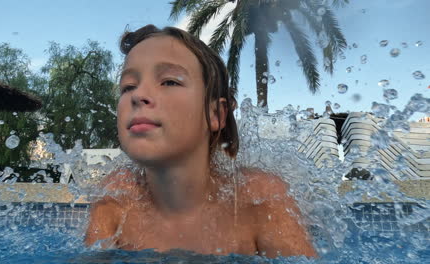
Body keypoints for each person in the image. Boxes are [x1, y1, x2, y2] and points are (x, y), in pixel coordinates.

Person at [85, 24, 317, 258]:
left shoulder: (258, 199)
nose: (137, 95)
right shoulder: (116, 199)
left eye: (169, 82)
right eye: (128, 87)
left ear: (216, 114)